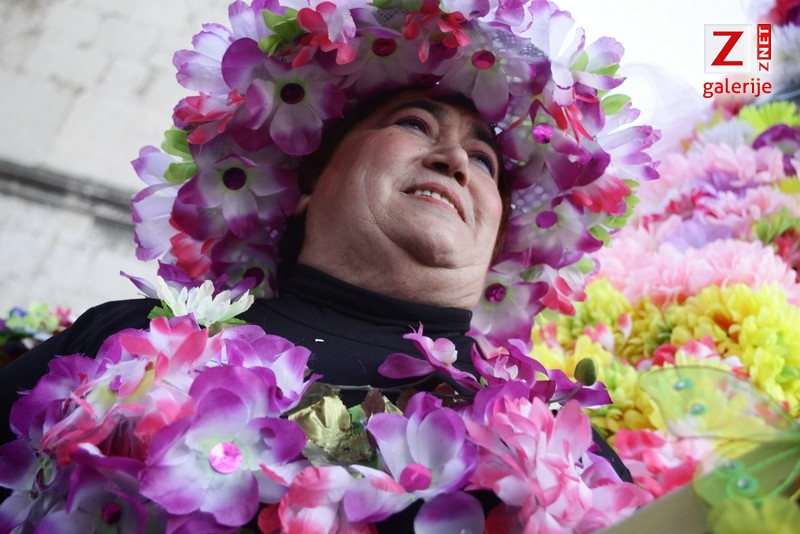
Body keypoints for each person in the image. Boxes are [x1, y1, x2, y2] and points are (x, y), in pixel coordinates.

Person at [0, 0, 659, 531]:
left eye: (484, 161)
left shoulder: (557, 444)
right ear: (306, 182)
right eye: (415, 124)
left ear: (497, 239)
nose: (455, 160)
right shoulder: (134, 334)